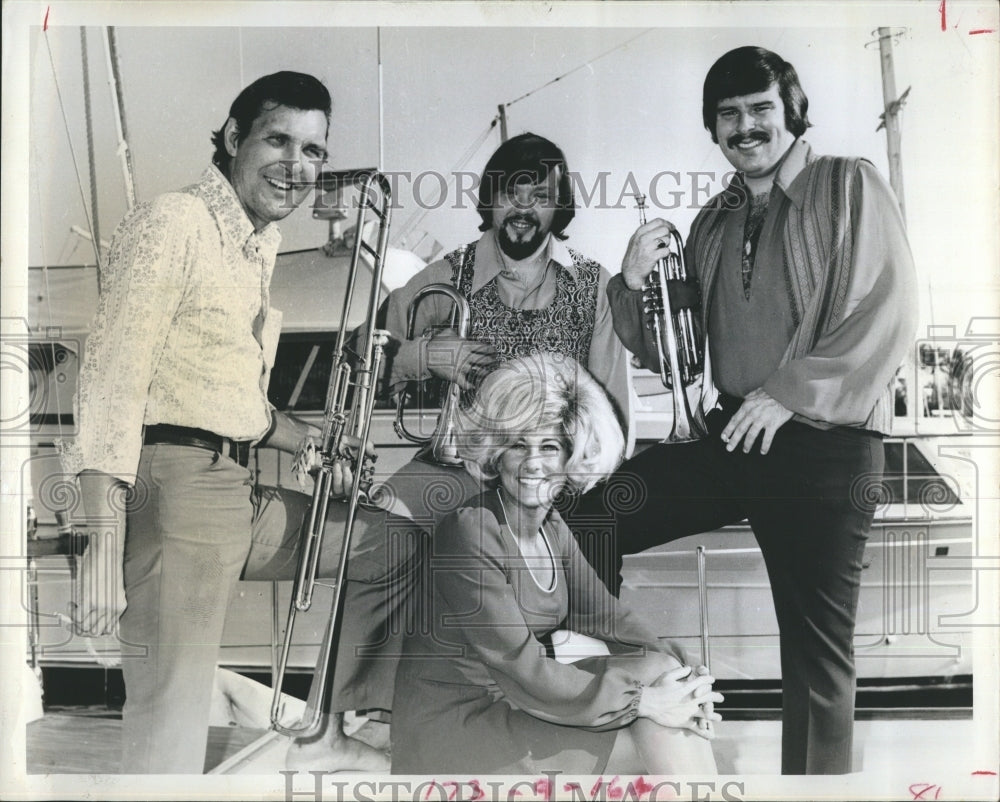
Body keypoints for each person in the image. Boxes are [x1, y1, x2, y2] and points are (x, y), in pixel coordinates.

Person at [566, 46, 919, 775]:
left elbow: (890, 310)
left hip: (826, 443)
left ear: (793, 112)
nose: (746, 127)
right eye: (728, 115)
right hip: (735, 434)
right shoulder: (714, 218)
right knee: (591, 519)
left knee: (815, 652)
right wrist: (630, 284)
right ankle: (614, 696)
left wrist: (788, 393)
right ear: (714, 128)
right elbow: (674, 348)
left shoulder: (848, 184)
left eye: (761, 109)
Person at [62, 72, 417, 774]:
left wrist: (309, 438)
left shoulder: (256, 244)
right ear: (232, 138)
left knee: (392, 546)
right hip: (175, 497)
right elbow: (110, 381)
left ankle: (328, 726)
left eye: (313, 151)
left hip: (235, 491)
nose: (296, 165)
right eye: (278, 140)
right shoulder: (176, 221)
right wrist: (99, 545)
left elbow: (223, 396)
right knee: (170, 740)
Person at [391, 354, 722, 774]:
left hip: (515, 704)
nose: (533, 463)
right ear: (497, 454)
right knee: (655, 727)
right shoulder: (470, 530)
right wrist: (643, 701)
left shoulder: (551, 526)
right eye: (518, 445)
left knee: (663, 674)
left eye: (549, 447)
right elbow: (520, 665)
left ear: (572, 456)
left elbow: (608, 617)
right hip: (456, 731)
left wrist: (688, 676)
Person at [376, 132, 631, 527]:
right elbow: (360, 357)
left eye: (541, 196)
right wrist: (427, 356)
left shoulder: (595, 285)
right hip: (454, 475)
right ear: (490, 198)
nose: (523, 209)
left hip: (554, 487)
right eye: (512, 193)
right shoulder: (447, 274)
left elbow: (611, 422)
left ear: (559, 206)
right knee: (374, 535)